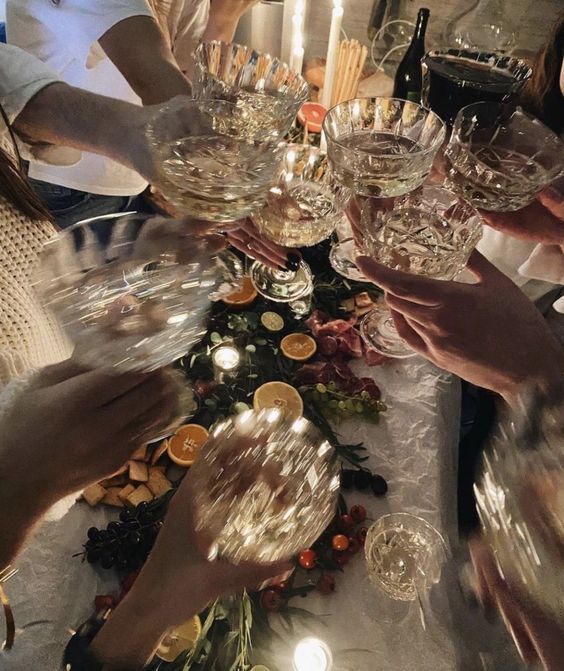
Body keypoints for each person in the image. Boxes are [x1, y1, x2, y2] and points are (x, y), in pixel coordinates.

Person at [7, 0, 259, 228]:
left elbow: (192, 94)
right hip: (65, 187)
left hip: (133, 174)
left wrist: (222, 19)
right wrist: (230, 189)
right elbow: (152, 77)